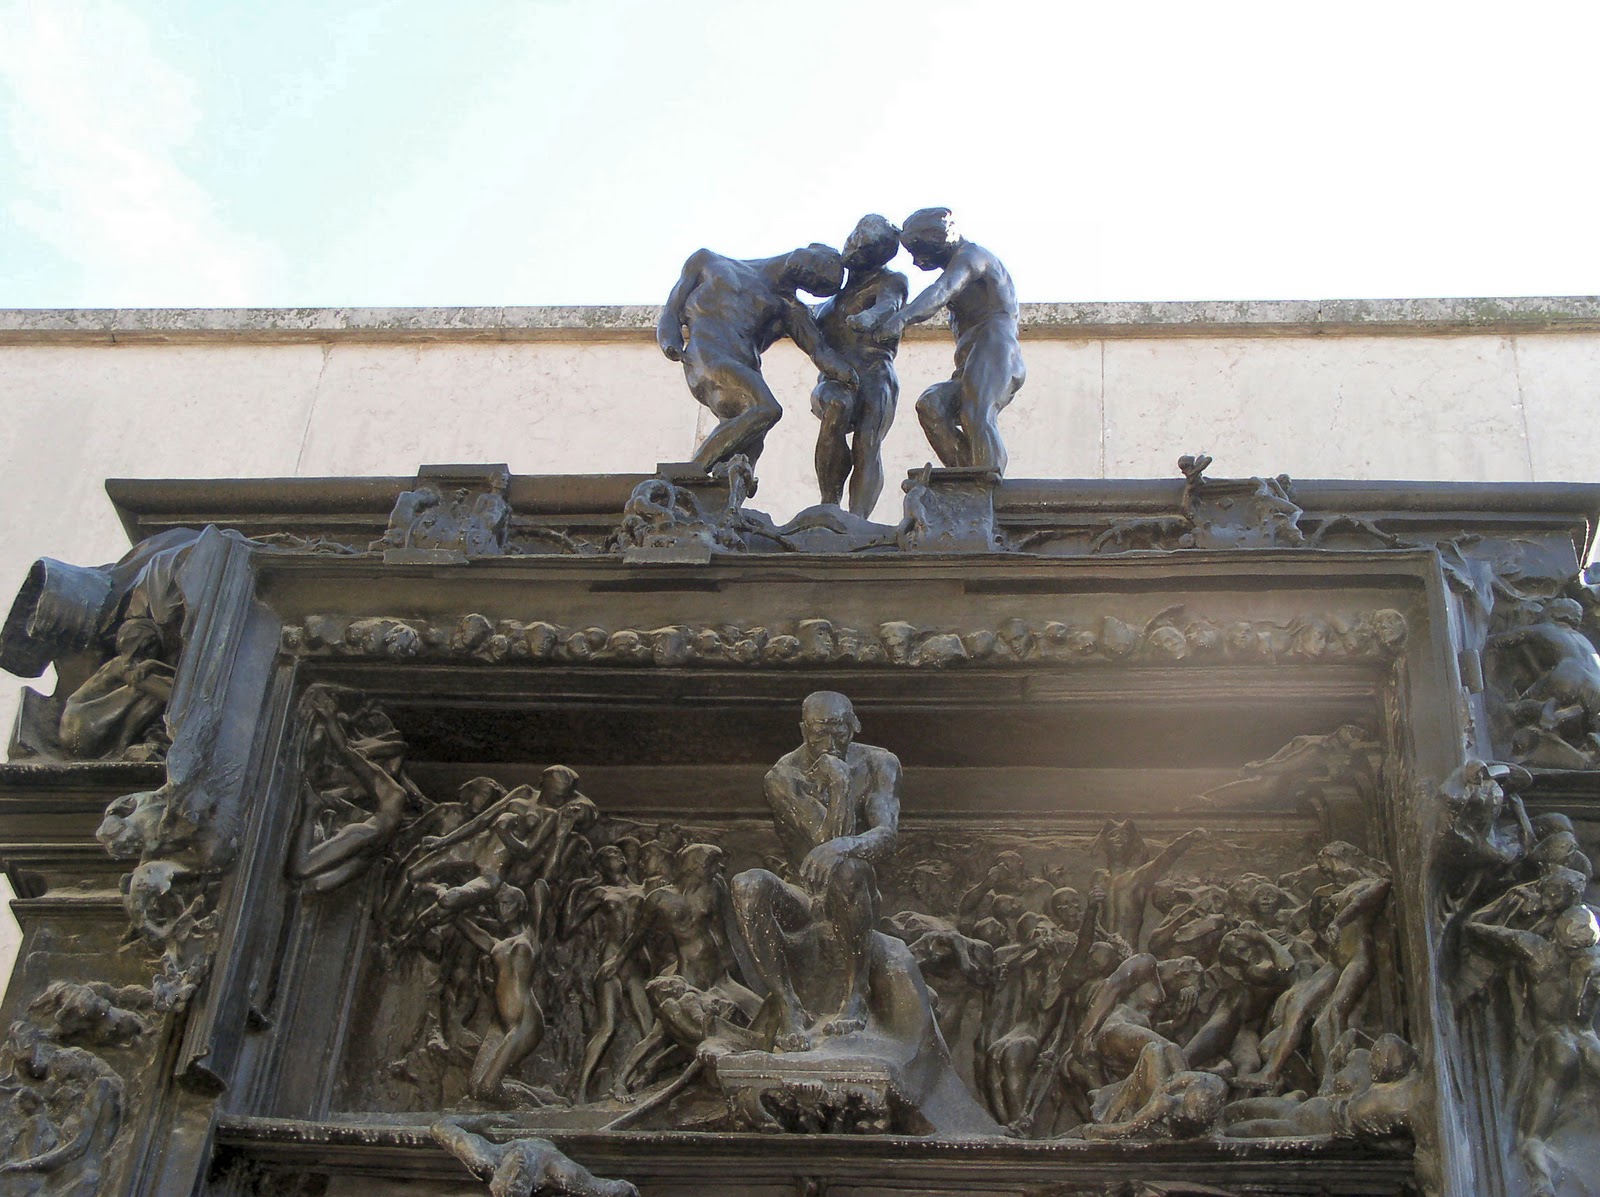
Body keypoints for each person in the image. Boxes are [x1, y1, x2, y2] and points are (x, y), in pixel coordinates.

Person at [731, 691, 902, 1052]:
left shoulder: (879, 763)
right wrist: (839, 785)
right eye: (818, 733)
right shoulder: (783, 775)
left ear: (854, 725)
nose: (829, 743)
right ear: (803, 730)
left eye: (839, 731)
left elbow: (885, 836)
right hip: (804, 895)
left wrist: (844, 845)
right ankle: (788, 1004)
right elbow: (821, 842)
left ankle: (856, 993)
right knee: (747, 885)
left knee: (847, 869)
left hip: (854, 891)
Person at [851, 208, 1024, 473]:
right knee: (932, 405)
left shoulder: (972, 257)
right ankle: (966, 477)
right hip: (971, 359)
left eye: (919, 252)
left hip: (996, 349)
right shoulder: (960, 263)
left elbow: (942, 290)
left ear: (938, 241)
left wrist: (901, 319)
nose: (916, 262)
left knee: (976, 413)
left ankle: (986, 482)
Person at [658, 244, 856, 471]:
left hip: (745, 369)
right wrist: (668, 338)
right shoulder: (707, 260)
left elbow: (820, 351)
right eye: (820, 263)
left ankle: (727, 482)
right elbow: (671, 310)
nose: (813, 273)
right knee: (766, 408)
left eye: (818, 282)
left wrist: (853, 376)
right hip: (708, 357)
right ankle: (689, 472)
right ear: (814, 248)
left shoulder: (789, 308)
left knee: (748, 447)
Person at [810, 215, 908, 517]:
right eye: (854, 240)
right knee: (836, 406)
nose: (852, 251)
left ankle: (858, 520)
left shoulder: (891, 280)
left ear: (877, 258)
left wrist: (869, 317)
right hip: (836, 376)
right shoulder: (831, 289)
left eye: (863, 250)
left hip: (875, 373)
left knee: (867, 441)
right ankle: (829, 504)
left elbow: (889, 304)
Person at [431, 1117, 638, 1197]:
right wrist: (483, 1120)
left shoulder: (564, 1176)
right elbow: (439, 1126)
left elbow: (625, 1190)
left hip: (550, 1154)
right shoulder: (483, 1160)